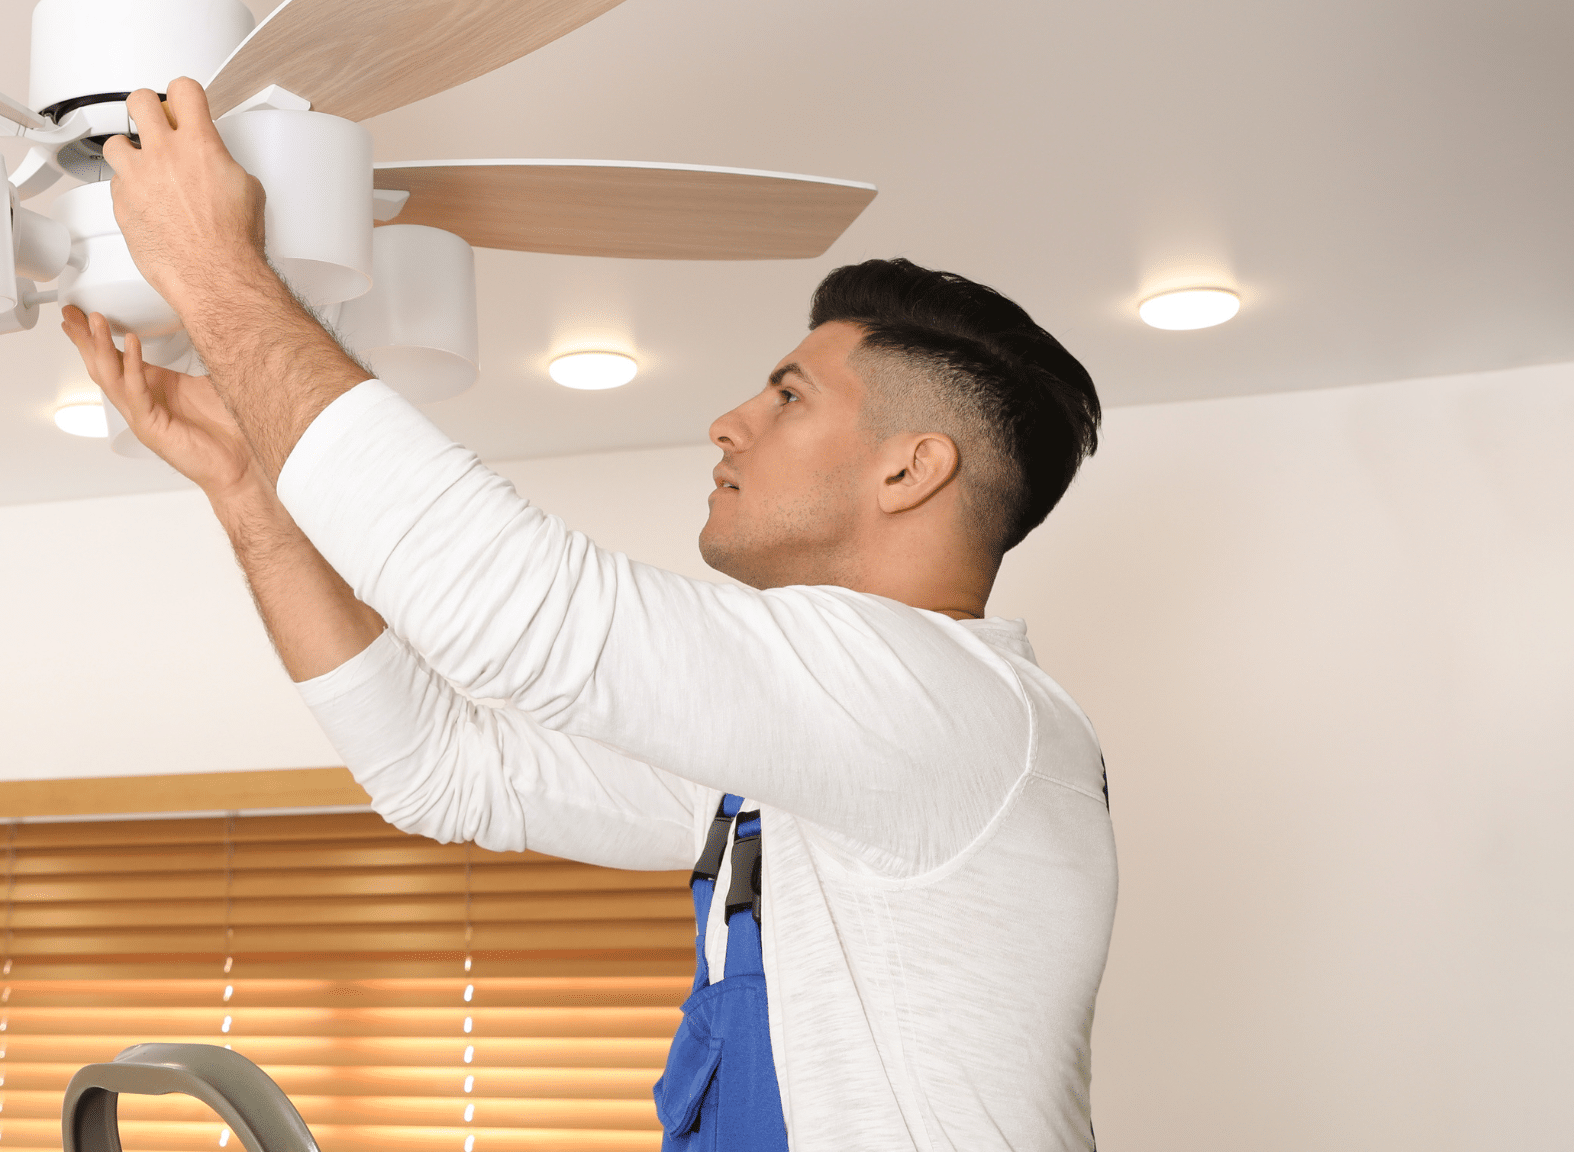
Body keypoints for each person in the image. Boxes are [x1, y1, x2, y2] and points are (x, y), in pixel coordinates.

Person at [60, 77, 1117, 1152]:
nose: (728, 420)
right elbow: (441, 768)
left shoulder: (948, 704)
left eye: (789, 393)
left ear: (909, 468)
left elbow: (521, 610)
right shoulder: (819, 766)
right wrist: (252, 489)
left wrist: (213, 267)